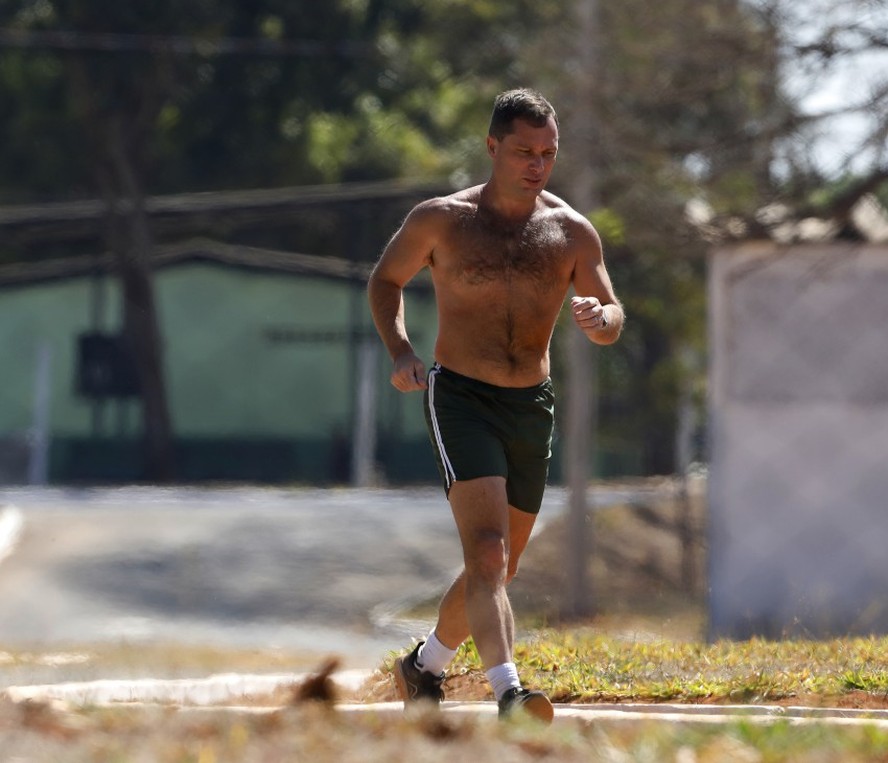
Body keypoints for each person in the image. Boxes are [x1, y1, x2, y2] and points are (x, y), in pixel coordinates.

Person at [367, 88, 623, 723]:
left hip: (531, 404)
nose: (537, 164)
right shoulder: (442, 220)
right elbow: (385, 280)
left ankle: (423, 667)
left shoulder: (570, 231)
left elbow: (613, 314)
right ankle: (509, 691)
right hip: (460, 396)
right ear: (492, 148)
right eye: (523, 151)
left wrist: (599, 317)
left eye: (548, 153)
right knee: (486, 553)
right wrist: (401, 351)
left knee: (498, 564)